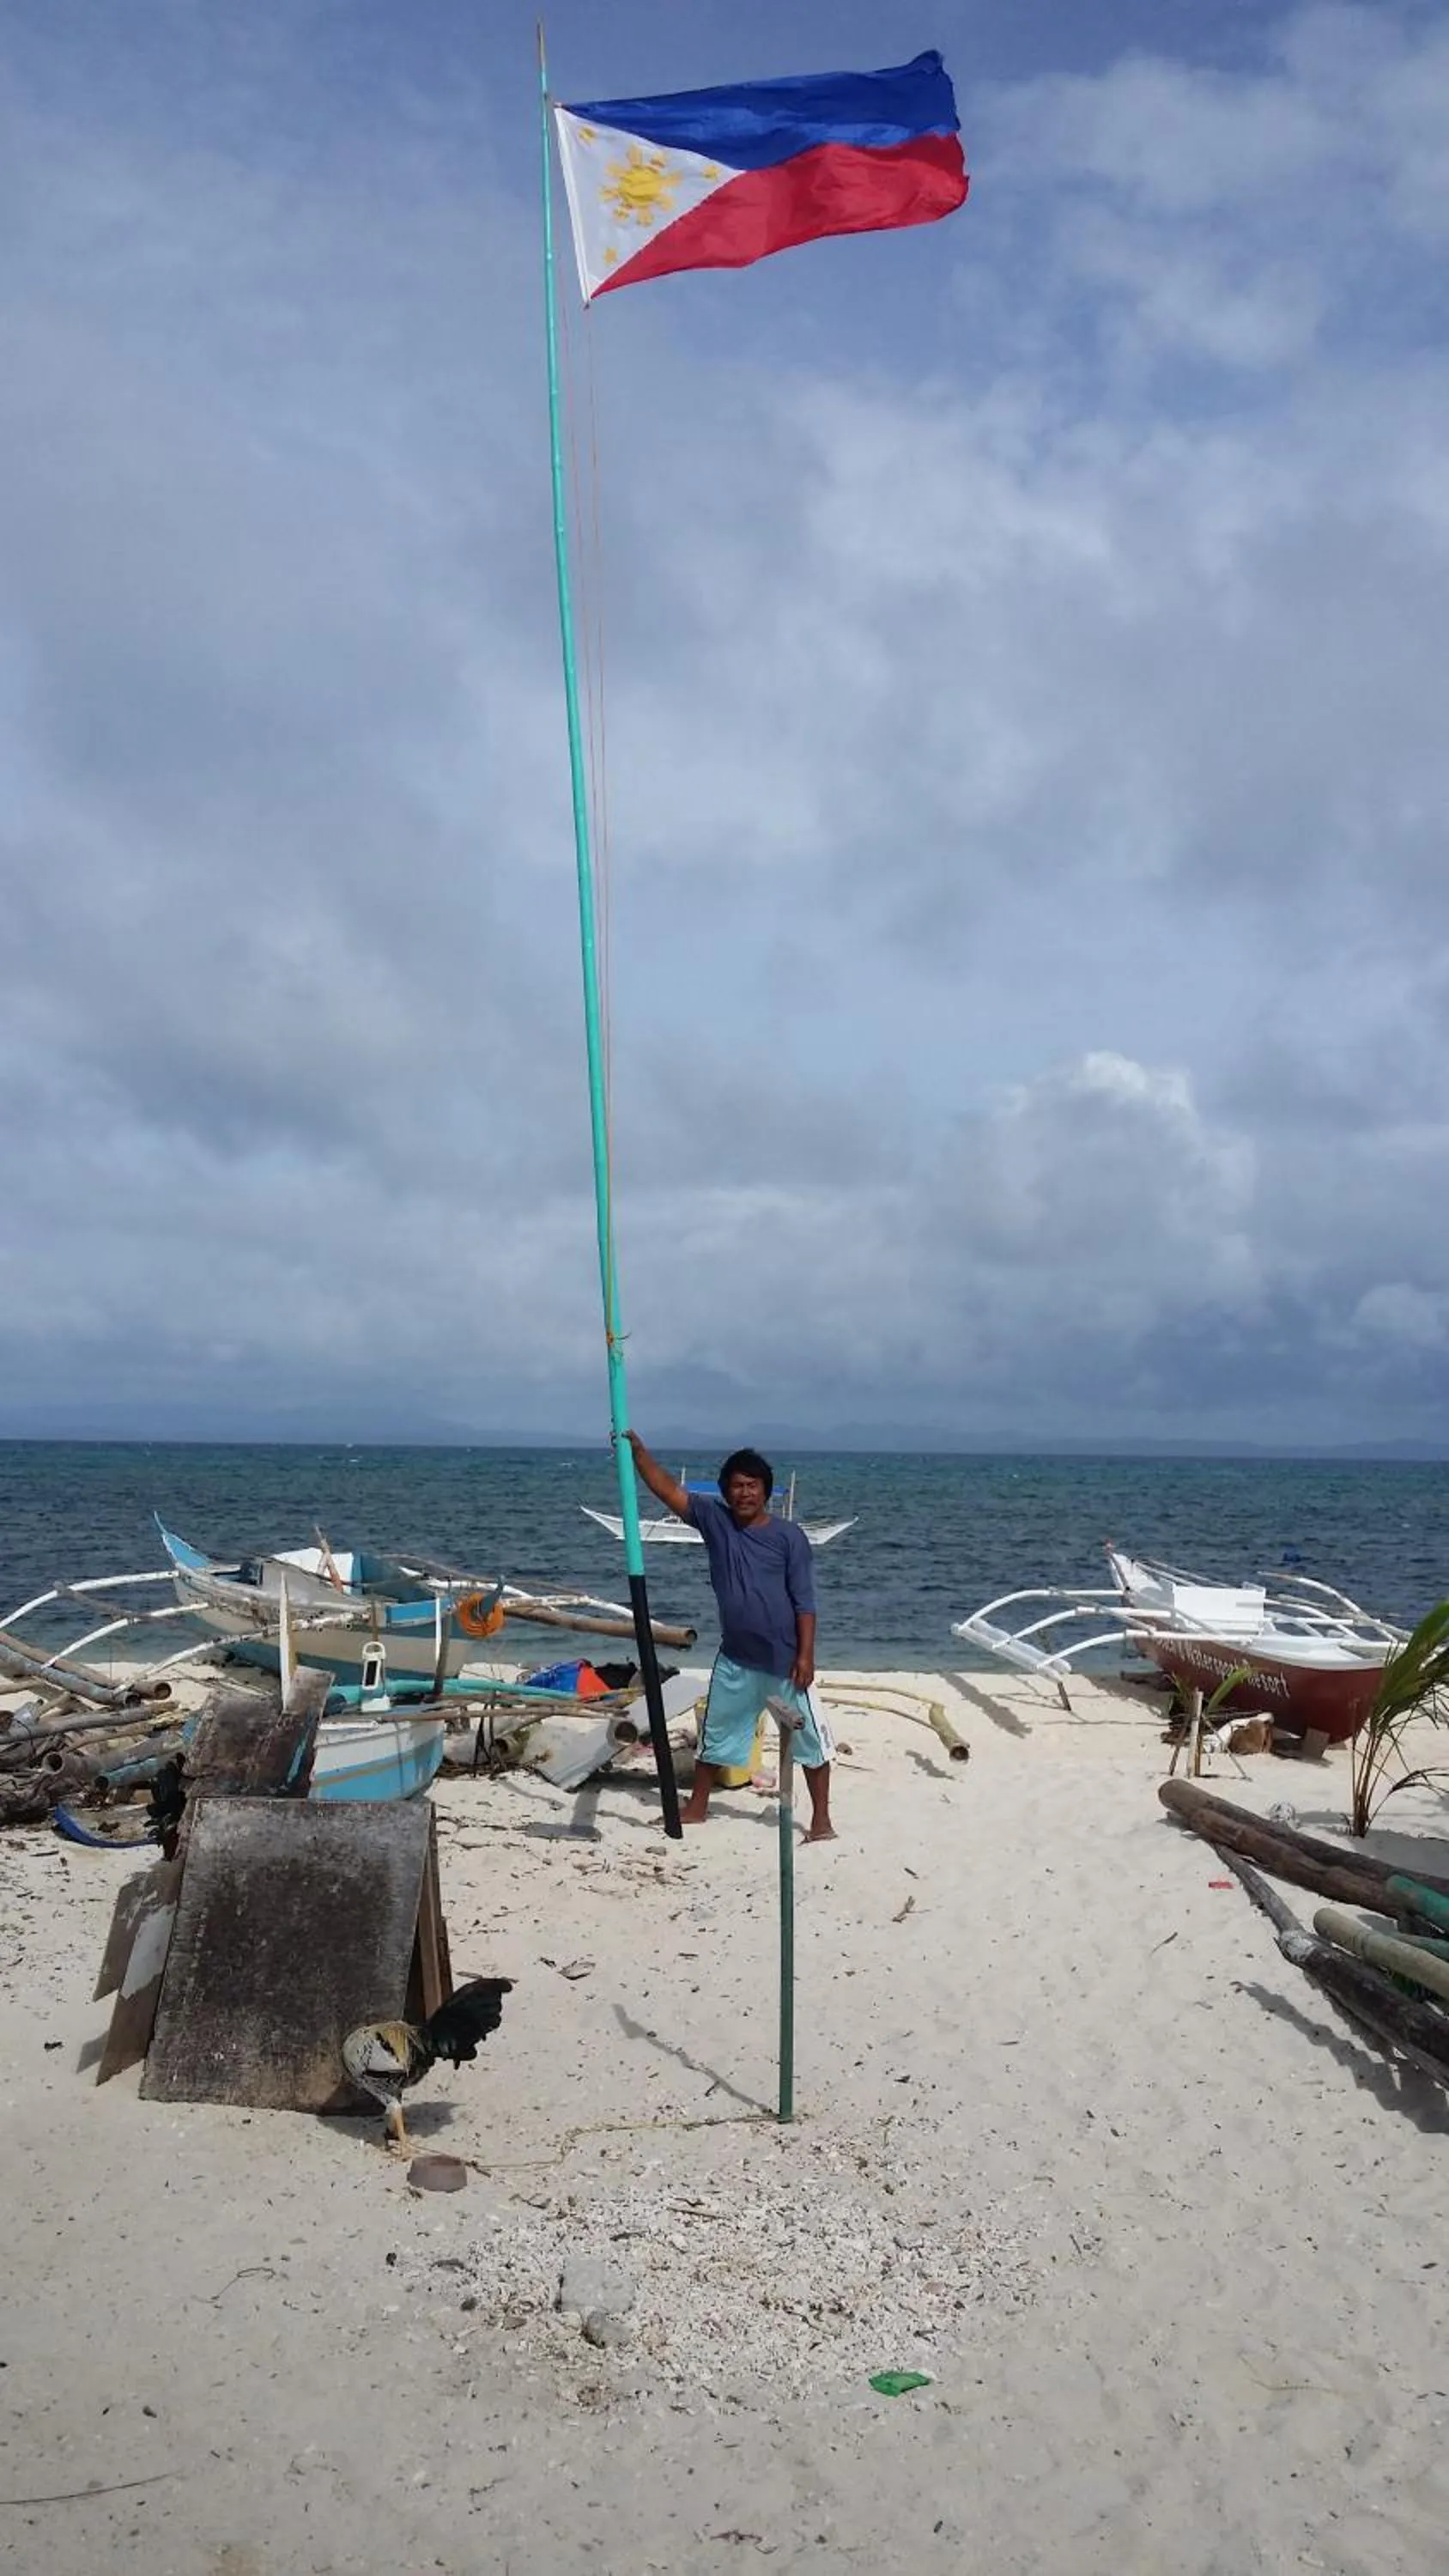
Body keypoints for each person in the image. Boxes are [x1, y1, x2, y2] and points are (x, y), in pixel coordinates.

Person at [624, 1432, 835, 1840]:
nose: (744, 1493)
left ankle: (821, 1821)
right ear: (726, 1491)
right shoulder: (714, 1520)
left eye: (752, 1486)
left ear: (766, 1492)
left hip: (786, 1662)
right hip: (736, 1659)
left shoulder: (789, 1537)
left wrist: (806, 1656)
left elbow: (805, 1603)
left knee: (811, 1741)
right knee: (715, 1737)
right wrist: (638, 1452)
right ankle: (698, 1807)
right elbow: (668, 1491)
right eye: (737, 1485)